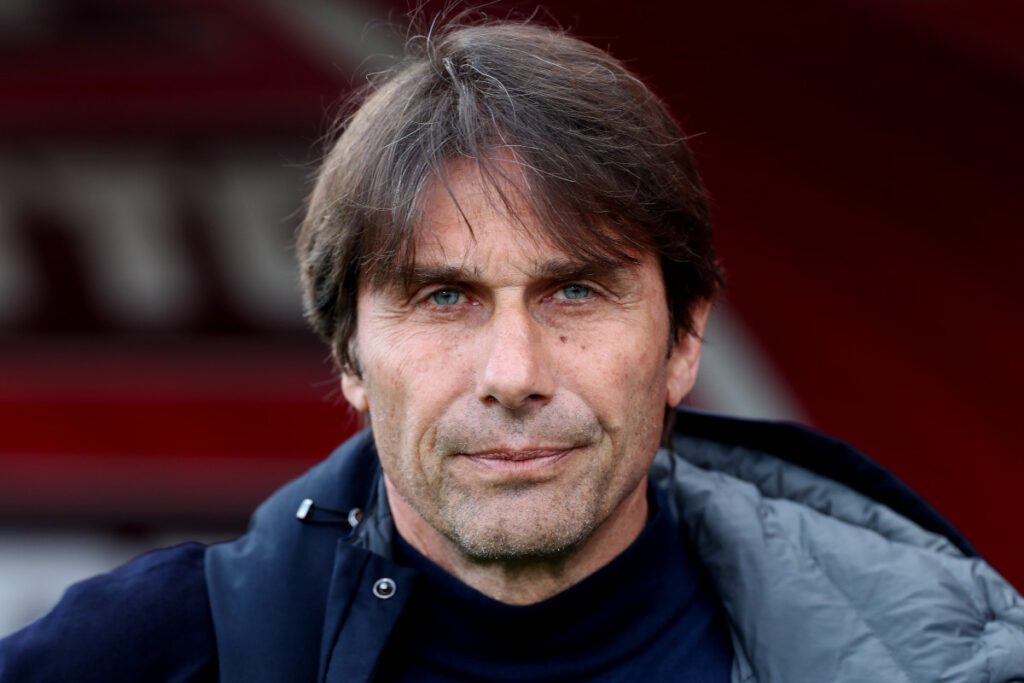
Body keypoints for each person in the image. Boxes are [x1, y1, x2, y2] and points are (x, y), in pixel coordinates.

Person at [3, 18, 1023, 683]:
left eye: (574, 288)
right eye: (443, 296)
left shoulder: (944, 656)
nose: (513, 372)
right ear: (349, 358)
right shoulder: (157, 654)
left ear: (682, 338)